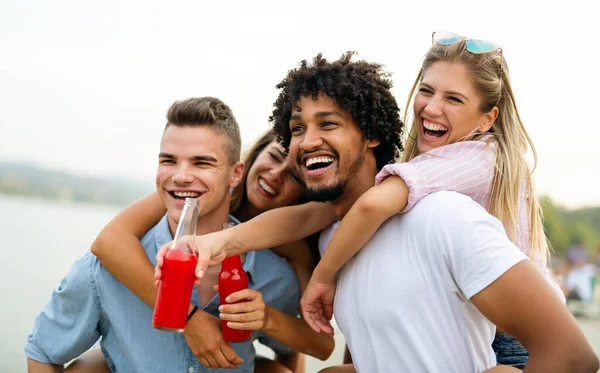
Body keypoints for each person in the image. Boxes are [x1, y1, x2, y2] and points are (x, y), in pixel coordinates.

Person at [175, 51, 598, 372]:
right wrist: (211, 242)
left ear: (373, 135)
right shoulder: (333, 238)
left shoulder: (442, 216)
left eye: (328, 124)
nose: (305, 141)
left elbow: (573, 356)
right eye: (298, 128)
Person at [25, 97, 333, 373]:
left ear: (234, 173)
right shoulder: (109, 266)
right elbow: (108, 243)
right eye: (168, 160)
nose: (182, 175)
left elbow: (302, 348)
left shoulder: (281, 266)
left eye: (202, 162)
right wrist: (188, 317)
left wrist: (267, 329)